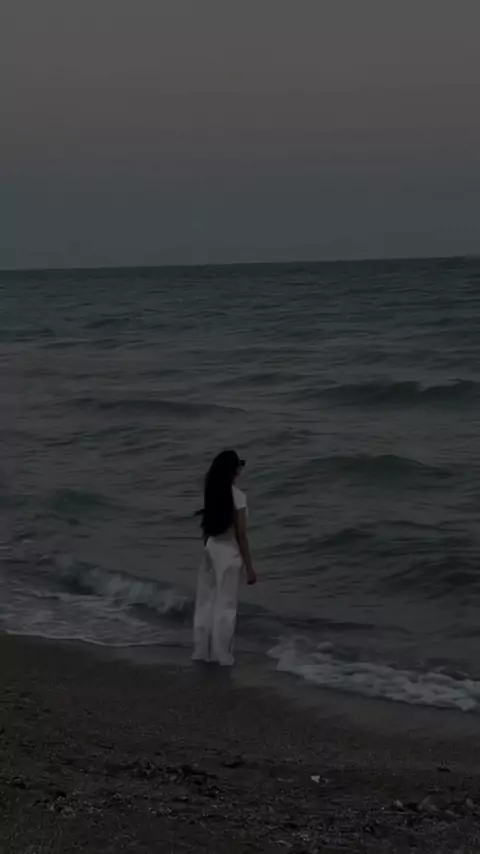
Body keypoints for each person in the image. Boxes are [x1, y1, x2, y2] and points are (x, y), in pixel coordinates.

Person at [192, 450, 257, 666]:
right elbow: (241, 535)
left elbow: (207, 526)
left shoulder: (212, 492)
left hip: (210, 547)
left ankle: (201, 651)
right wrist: (250, 567)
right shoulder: (238, 497)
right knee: (226, 606)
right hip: (229, 553)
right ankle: (222, 655)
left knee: (205, 602)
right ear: (234, 470)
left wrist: (207, 546)